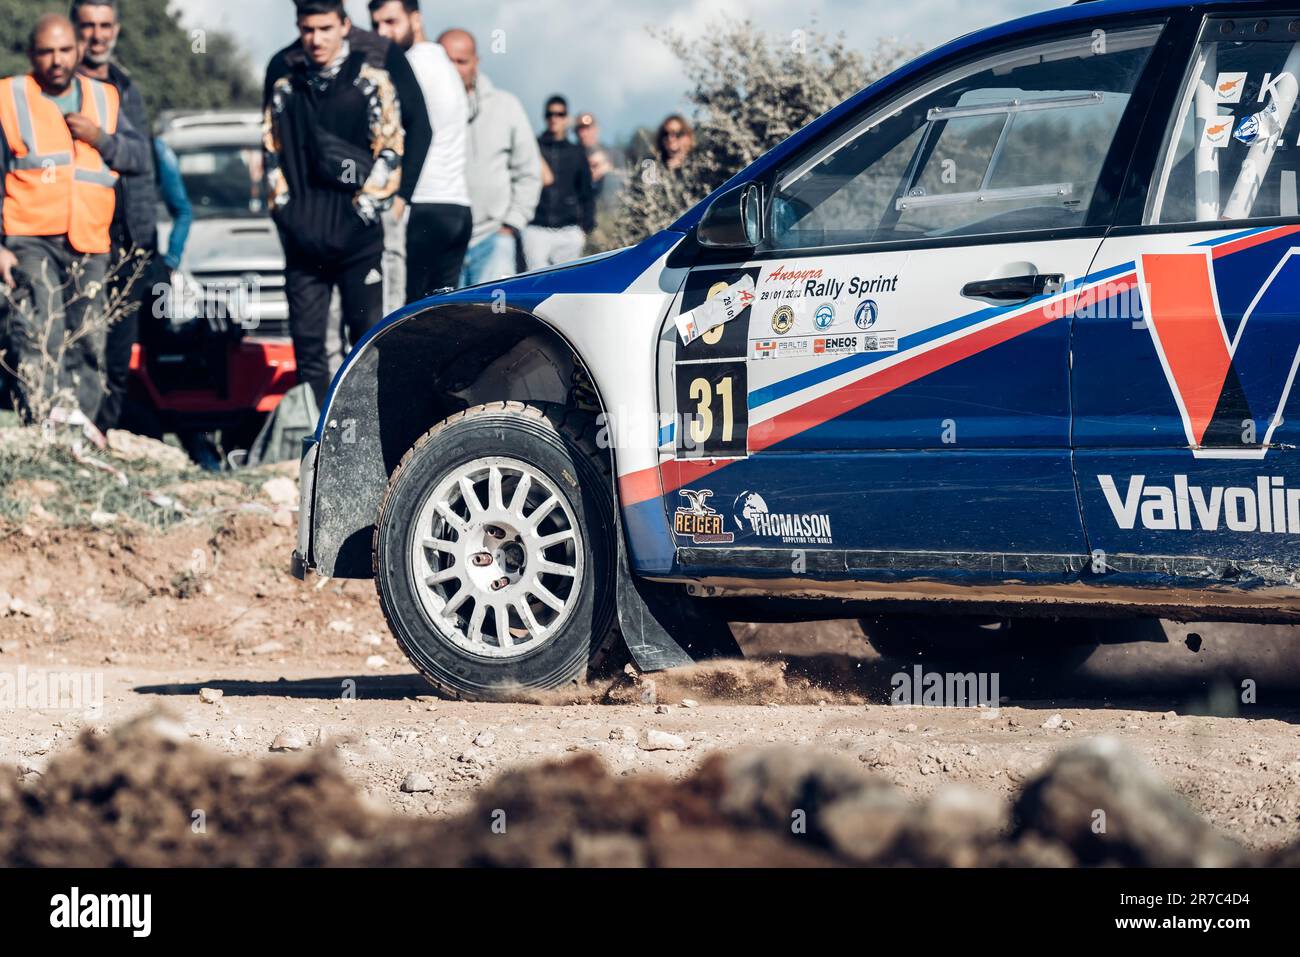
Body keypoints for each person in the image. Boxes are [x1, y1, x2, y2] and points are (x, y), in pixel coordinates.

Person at [263, 0, 431, 408]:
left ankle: (368, 441)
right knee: (308, 344)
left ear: (344, 25)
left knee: (368, 339)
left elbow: (395, 145)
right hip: (303, 239)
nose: (316, 39)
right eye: (307, 30)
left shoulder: (373, 78)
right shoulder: (285, 81)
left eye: (324, 28)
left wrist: (374, 207)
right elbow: (271, 151)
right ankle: (315, 439)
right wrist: (286, 212)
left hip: (359, 238)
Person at [0, 13, 150, 423]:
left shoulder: (105, 98)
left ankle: (81, 429)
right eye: (46, 51)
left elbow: (139, 158)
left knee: (89, 339)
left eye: (65, 50)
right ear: (32, 54)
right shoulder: (9, 99)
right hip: (30, 238)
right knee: (39, 334)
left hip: (89, 240)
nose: (56, 60)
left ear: (79, 51)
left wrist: (100, 139)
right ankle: (45, 427)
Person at [72, 0, 160, 433]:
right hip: (79, 240)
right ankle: (78, 440)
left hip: (129, 245)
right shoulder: (64, 88)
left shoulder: (126, 85)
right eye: (88, 25)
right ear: (74, 29)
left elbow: (142, 161)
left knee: (119, 358)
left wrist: (146, 240)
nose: (97, 35)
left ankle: (104, 437)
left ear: (117, 29)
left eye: (105, 25)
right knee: (84, 350)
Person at [369, 0, 471, 301]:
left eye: (391, 22)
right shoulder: (444, 62)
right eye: (376, 25)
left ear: (416, 19)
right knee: (443, 316)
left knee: (406, 316)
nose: (382, 32)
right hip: (457, 210)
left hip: (422, 206)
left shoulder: (409, 66)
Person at [438, 28, 541, 287]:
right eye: (447, 61)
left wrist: (510, 225)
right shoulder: (422, 109)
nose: (454, 69)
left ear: (477, 62)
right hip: (441, 243)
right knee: (443, 323)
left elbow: (529, 172)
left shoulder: (506, 106)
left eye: (461, 61)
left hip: (493, 239)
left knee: (494, 322)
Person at [523, 95, 594, 271]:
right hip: (535, 228)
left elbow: (586, 193)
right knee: (535, 282)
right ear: (545, 117)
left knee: (564, 283)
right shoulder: (533, 147)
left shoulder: (576, 153)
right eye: (550, 114)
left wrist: (585, 227)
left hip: (568, 231)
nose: (554, 118)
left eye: (559, 114)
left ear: (566, 117)